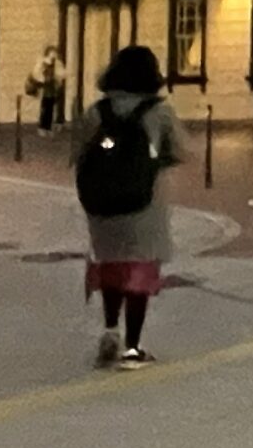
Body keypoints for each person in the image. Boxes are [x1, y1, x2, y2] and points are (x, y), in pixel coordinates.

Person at [68, 44, 181, 367]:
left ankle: (109, 330)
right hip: (144, 203)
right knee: (139, 273)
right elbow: (181, 150)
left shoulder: (97, 111)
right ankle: (133, 348)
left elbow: (77, 151)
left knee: (111, 266)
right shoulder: (159, 112)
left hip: (101, 204)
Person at [29, 45, 66, 129]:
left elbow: (62, 73)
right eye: (53, 53)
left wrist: (58, 76)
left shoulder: (57, 63)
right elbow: (36, 72)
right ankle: (43, 125)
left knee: (51, 105)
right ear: (48, 53)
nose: (54, 54)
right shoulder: (42, 62)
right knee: (45, 105)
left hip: (53, 86)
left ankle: (49, 125)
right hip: (44, 85)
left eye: (55, 53)